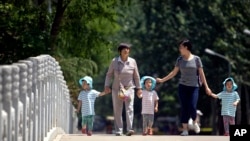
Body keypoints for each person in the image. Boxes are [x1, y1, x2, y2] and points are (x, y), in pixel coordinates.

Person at [156, 39, 212, 136]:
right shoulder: (180, 60)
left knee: (192, 106)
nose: (179, 49)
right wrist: (162, 80)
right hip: (183, 87)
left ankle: (195, 122)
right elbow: (173, 73)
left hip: (194, 87)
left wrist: (207, 87)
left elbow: (202, 74)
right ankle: (185, 130)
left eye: (181, 47)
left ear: (186, 48)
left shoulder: (196, 59)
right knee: (184, 107)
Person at [104, 43, 142, 136]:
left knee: (129, 108)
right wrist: (106, 86)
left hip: (129, 88)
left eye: (128, 49)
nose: (126, 50)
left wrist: (139, 88)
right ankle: (119, 130)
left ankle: (129, 129)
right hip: (117, 88)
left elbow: (136, 76)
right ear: (120, 51)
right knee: (117, 109)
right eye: (124, 49)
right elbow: (109, 75)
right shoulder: (114, 61)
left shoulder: (133, 61)